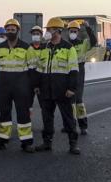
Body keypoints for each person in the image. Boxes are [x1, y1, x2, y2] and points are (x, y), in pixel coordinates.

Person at [0, 19, 36, 153]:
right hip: (4, 86)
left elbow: (32, 69)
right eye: (8, 30)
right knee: (4, 115)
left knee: (23, 115)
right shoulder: (0, 48)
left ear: (17, 31)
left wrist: (32, 87)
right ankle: (2, 141)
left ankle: (26, 143)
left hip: (21, 87)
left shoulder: (27, 48)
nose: (10, 32)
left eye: (12, 30)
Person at [34, 17, 81, 155]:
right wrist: (37, 85)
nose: (47, 32)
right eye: (47, 29)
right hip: (46, 89)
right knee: (47, 117)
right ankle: (47, 142)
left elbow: (73, 69)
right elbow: (39, 68)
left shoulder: (68, 48)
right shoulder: (44, 47)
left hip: (63, 90)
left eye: (49, 29)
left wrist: (72, 88)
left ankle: (73, 144)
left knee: (68, 118)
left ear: (57, 31)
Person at [67, 20, 97, 135]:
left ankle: (83, 126)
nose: (73, 33)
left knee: (78, 100)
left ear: (78, 32)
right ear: (68, 32)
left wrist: (88, 28)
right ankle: (70, 125)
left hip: (79, 71)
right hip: (68, 72)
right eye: (71, 31)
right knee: (69, 101)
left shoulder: (83, 43)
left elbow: (93, 41)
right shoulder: (65, 45)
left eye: (75, 31)